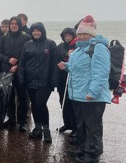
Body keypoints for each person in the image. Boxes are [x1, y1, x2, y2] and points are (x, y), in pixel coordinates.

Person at [58, 15, 111, 162]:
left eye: (85, 33)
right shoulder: (79, 49)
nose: (81, 36)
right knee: (81, 124)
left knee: (92, 127)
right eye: (80, 33)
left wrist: (92, 92)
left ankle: (92, 155)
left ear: (92, 33)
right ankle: (83, 149)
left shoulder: (98, 48)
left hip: (92, 96)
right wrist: (66, 66)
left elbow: (101, 73)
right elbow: (77, 69)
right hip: (78, 95)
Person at [19, 22, 57, 143]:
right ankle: (37, 128)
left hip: (45, 82)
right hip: (30, 81)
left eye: (38, 30)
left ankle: (46, 130)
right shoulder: (27, 45)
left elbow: (54, 64)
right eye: (34, 30)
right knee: (34, 105)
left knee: (41, 104)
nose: (36, 33)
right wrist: (22, 79)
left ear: (42, 31)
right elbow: (22, 63)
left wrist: (53, 81)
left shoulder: (50, 44)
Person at [0, 16, 31, 132]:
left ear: (19, 25)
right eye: (12, 24)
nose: (14, 25)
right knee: (8, 97)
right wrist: (8, 60)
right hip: (7, 71)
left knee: (22, 97)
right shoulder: (3, 37)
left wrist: (18, 65)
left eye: (16, 23)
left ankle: (22, 122)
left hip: (21, 72)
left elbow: (28, 55)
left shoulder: (26, 37)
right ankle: (11, 119)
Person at [56, 28, 77, 135]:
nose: (67, 38)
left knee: (73, 103)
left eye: (69, 35)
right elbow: (56, 59)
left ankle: (75, 127)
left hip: (73, 80)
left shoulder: (77, 47)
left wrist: (69, 56)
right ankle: (67, 123)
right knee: (63, 102)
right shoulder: (60, 46)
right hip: (61, 78)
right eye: (65, 36)